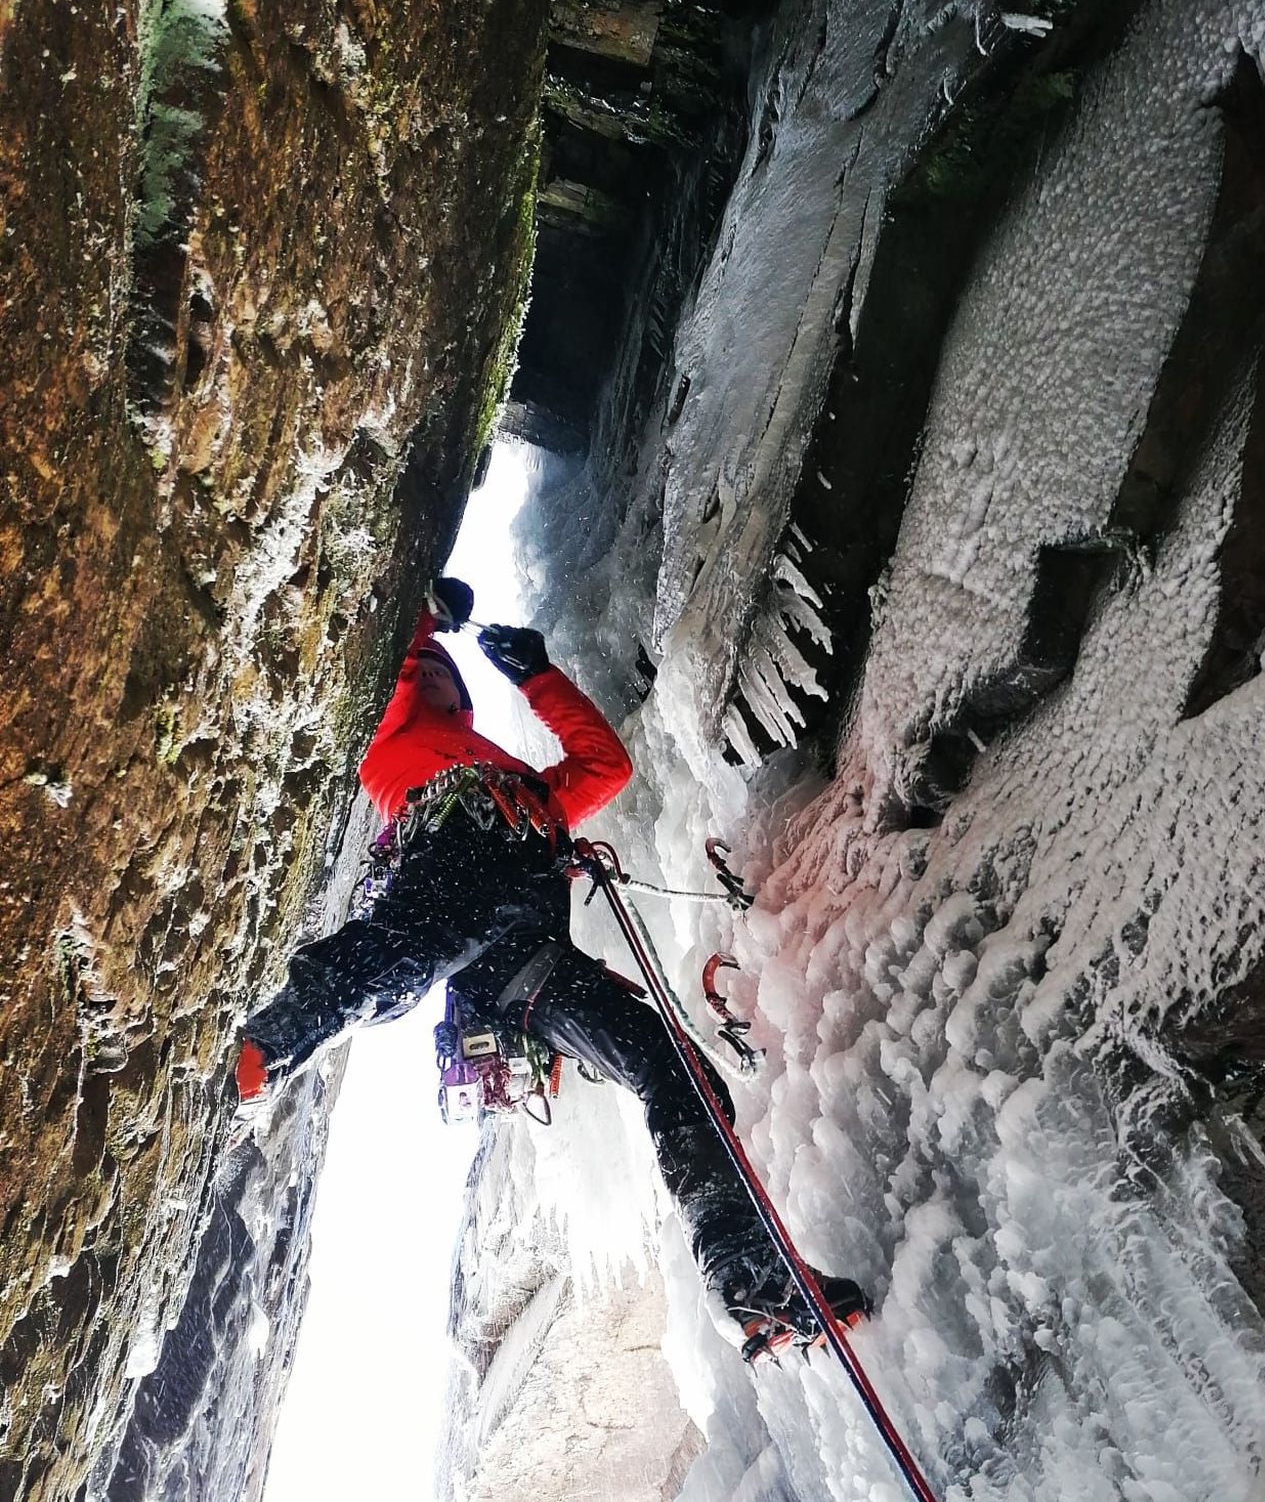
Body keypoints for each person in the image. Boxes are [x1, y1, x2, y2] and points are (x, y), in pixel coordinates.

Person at [235, 577, 868, 1355]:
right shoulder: (390, 743)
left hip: (527, 954)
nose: (429, 675)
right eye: (423, 670)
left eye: (439, 671)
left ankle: (744, 1273)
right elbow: (390, 656)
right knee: (403, 958)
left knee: (671, 1066)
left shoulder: (523, 779)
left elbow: (605, 767)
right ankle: (273, 1042)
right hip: (459, 860)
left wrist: (539, 677)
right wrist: (425, 623)